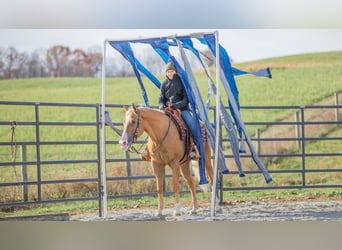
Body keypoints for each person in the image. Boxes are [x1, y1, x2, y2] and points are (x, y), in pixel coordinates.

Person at [158, 60, 203, 161]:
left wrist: (177, 105)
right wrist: (162, 107)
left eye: (172, 71)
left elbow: (186, 98)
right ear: (166, 73)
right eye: (168, 72)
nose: (170, 73)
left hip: (182, 109)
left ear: (175, 72)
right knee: (156, 123)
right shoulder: (164, 84)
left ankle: (196, 146)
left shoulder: (182, 82)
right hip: (168, 110)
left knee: (191, 123)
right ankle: (152, 150)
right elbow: (161, 98)